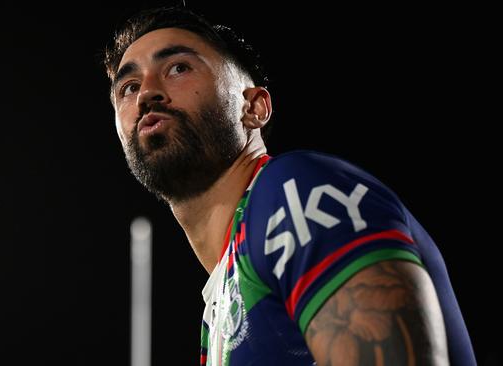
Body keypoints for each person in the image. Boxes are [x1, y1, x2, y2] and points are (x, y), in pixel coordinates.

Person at [103, 6, 476, 365]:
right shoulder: (219, 306)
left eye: (178, 68)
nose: (146, 94)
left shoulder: (295, 191)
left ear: (254, 107)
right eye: (128, 87)